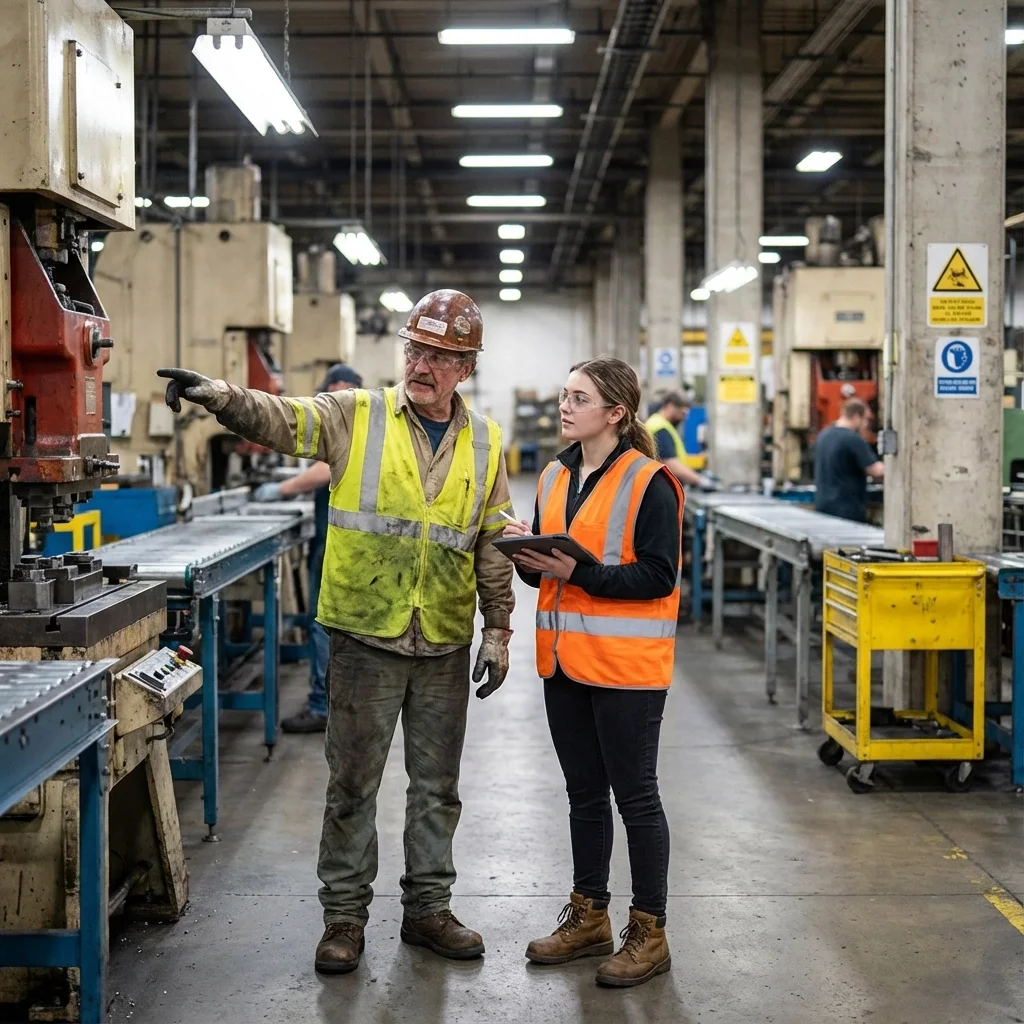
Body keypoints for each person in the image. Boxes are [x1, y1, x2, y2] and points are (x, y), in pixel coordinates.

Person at [157, 289, 515, 975]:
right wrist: (219, 395)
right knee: (352, 786)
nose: (424, 365)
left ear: (465, 368)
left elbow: (494, 539)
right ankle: (345, 919)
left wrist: (497, 628)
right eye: (417, 349)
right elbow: (283, 419)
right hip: (363, 636)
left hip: (442, 638)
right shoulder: (358, 414)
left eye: (442, 356)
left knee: (436, 787)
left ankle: (428, 909)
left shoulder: (488, 440)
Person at [502, 357, 683, 989]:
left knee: (635, 798)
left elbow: (659, 575)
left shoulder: (648, 482)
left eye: (580, 397)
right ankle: (589, 916)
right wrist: (527, 557)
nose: (565, 405)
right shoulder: (554, 474)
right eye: (564, 395)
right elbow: (547, 569)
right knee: (584, 795)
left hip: (627, 670)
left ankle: (650, 931)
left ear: (616, 412)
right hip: (563, 664)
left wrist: (577, 573)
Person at [252, 363, 363, 734]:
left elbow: (327, 469)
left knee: (323, 623)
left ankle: (321, 704)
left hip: (339, 542)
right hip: (336, 538)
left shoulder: (356, 420)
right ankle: (337, 701)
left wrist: (281, 490)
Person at [813, 397, 884, 522]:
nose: (866, 424)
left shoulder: (823, 435)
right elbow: (876, 470)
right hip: (845, 510)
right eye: (866, 419)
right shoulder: (852, 439)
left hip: (823, 507)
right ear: (857, 416)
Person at [644, 391, 714, 489]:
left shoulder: (659, 424)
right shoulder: (660, 427)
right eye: (681, 412)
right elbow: (670, 462)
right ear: (669, 406)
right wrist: (700, 480)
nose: (683, 417)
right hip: (662, 487)